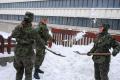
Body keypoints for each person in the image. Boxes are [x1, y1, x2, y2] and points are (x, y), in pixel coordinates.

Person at [11, 12, 45, 80]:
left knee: (19, 72)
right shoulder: (32, 30)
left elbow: (13, 35)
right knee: (28, 74)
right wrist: (43, 45)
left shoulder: (18, 27)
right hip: (27, 55)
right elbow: (39, 41)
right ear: (31, 19)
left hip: (18, 54)